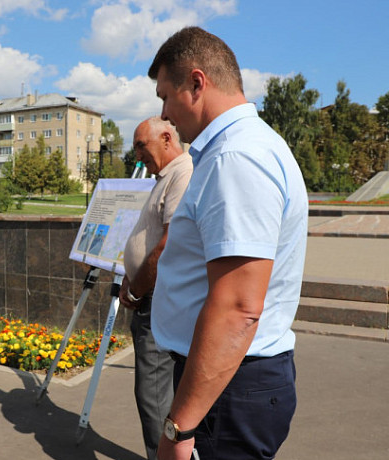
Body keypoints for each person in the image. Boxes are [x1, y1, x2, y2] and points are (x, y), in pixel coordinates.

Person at [146, 27, 308, 460]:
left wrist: (179, 429)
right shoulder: (242, 148)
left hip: (228, 388)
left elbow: (238, 308)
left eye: (165, 96)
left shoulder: (236, 157)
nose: (164, 113)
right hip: (228, 380)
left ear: (197, 83)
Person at [119, 117, 192, 460]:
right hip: (148, 297)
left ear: (166, 138)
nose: (137, 157)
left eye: (141, 146)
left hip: (156, 302)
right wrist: (129, 275)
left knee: (154, 395)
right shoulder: (164, 176)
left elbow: (168, 244)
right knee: (153, 394)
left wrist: (136, 290)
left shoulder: (182, 172)